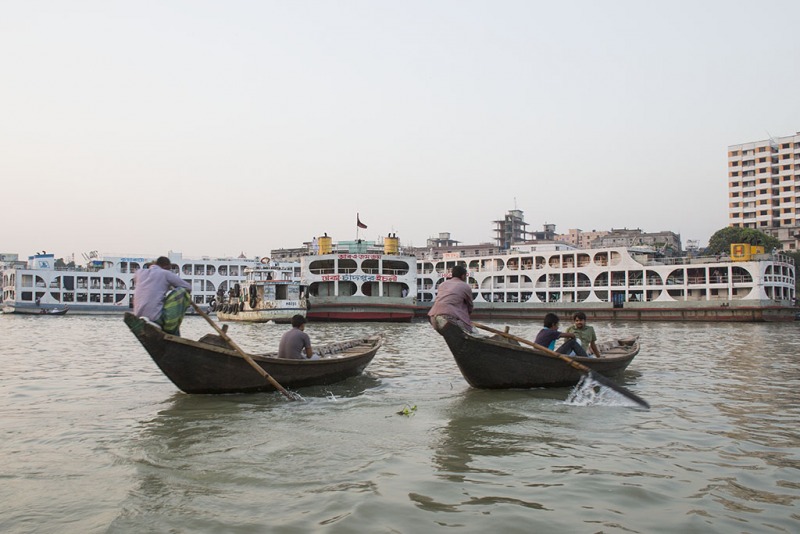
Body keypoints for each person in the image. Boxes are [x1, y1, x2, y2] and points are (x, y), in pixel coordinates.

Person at [133, 256, 192, 335]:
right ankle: (171, 329)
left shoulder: (139, 272)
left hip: (138, 316)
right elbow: (188, 287)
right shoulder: (165, 273)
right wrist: (172, 285)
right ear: (166, 266)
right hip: (155, 318)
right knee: (182, 291)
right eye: (169, 269)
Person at [428, 264, 473, 333]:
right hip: (449, 319)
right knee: (470, 331)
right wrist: (466, 319)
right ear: (463, 276)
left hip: (433, 317)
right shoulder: (465, 286)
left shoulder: (442, 284)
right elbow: (470, 306)